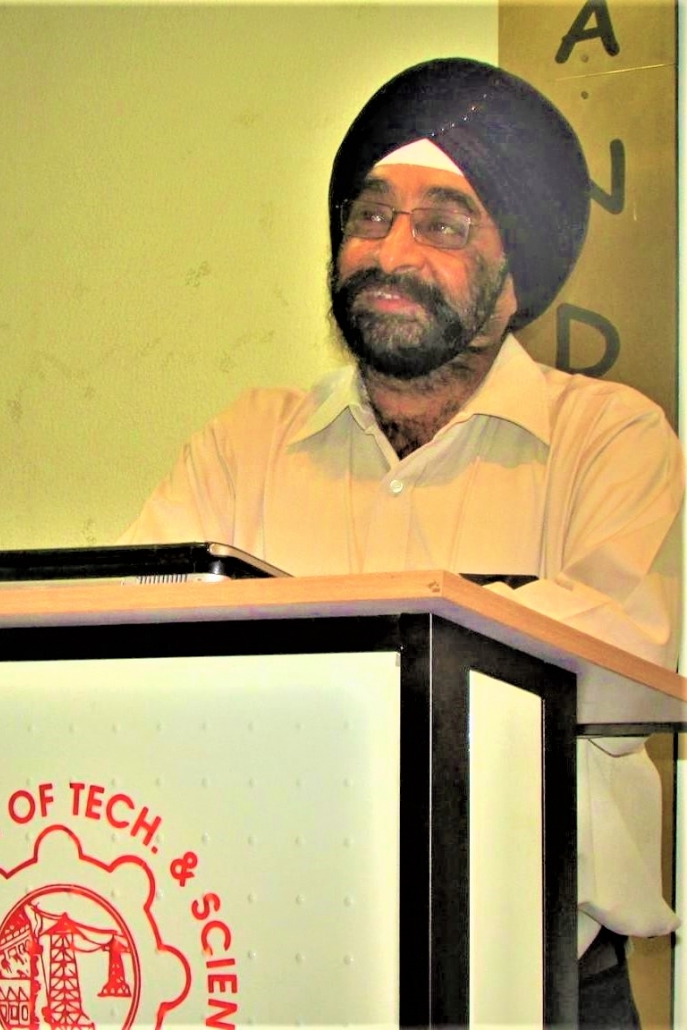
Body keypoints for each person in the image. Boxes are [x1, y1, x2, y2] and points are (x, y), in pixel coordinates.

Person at [120, 57, 683, 1025]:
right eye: (370, 215)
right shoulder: (246, 443)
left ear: (514, 278)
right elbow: (130, 639)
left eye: (443, 224)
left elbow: (623, 662)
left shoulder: (609, 440)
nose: (390, 250)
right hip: (275, 966)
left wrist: (336, 654)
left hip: (543, 985)